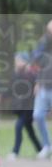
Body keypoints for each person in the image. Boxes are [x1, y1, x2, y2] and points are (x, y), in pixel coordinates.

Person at [9, 53, 41, 160]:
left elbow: (38, 81)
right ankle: (40, 149)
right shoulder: (16, 74)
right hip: (21, 107)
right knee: (30, 131)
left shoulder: (31, 73)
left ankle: (15, 151)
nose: (17, 62)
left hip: (29, 107)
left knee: (18, 126)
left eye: (19, 60)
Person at [31, 20, 52, 159]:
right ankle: (47, 145)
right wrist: (37, 82)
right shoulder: (43, 44)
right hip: (44, 86)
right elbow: (35, 58)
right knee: (37, 115)